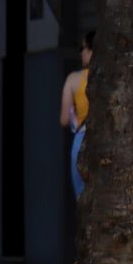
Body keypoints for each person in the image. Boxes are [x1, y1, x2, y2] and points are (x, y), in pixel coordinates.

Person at [59, 31, 94, 199]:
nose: (81, 52)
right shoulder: (112, 77)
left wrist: (74, 115)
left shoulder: (73, 79)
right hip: (108, 139)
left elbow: (64, 119)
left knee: (82, 197)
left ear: (91, 49)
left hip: (82, 138)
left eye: (83, 48)